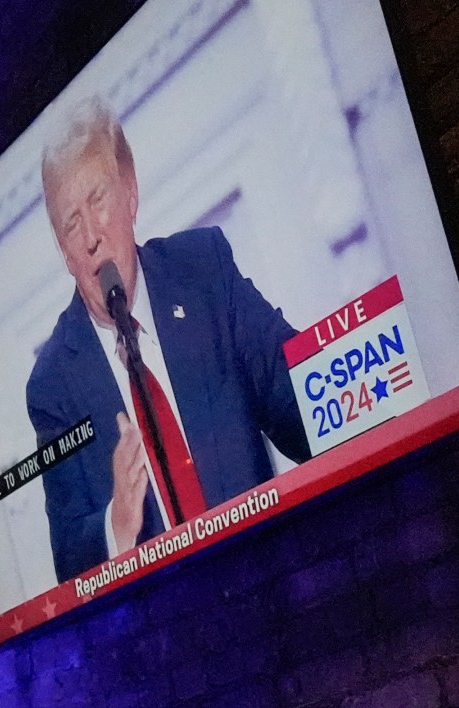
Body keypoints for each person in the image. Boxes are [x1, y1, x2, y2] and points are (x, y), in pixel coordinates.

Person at [27, 96, 313, 583]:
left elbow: (292, 394)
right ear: (63, 251)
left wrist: (355, 377)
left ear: (131, 194)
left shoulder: (203, 269)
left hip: (274, 579)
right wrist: (115, 525)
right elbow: (70, 556)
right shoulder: (54, 383)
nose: (91, 235)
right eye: (71, 224)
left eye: (97, 200)